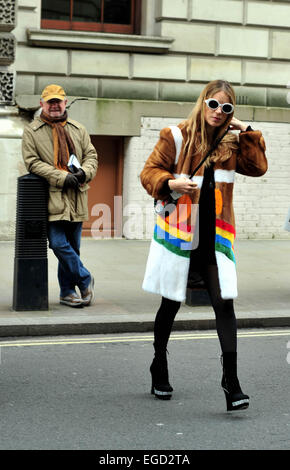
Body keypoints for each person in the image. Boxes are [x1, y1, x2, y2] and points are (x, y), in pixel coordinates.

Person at [140, 80, 267, 411]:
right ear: (203, 103)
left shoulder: (233, 143)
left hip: (215, 237)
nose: (218, 112)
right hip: (181, 234)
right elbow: (148, 173)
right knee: (171, 303)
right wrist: (169, 181)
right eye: (213, 104)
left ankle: (232, 383)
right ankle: (159, 364)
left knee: (225, 304)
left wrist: (247, 129)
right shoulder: (177, 135)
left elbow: (259, 167)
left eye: (226, 108)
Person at [22, 84, 98, 308]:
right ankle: (85, 278)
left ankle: (67, 292)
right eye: (50, 102)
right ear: (42, 105)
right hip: (52, 196)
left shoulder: (78, 129)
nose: (54, 105)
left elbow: (91, 155)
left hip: (77, 195)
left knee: (72, 249)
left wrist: (85, 172)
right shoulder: (32, 131)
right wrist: (61, 177)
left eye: (58, 101)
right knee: (57, 244)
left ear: (65, 103)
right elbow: (32, 162)